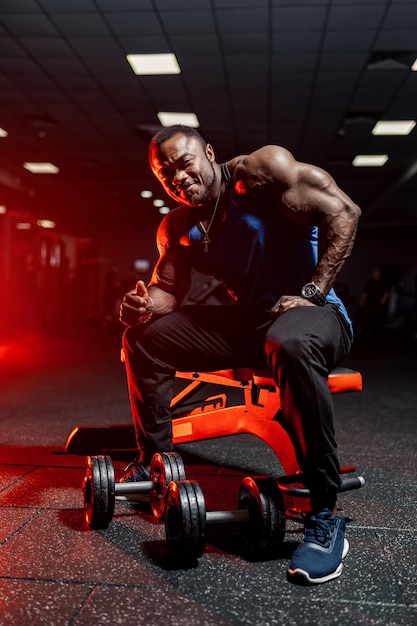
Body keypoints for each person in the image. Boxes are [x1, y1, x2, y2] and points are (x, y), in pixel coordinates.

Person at [119, 125, 361, 585]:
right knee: (145, 337)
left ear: (209, 152)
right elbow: (168, 291)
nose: (177, 175)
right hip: (250, 320)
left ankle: (325, 514)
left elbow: (345, 212)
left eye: (184, 161)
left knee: (288, 342)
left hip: (314, 314)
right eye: (164, 172)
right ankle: (155, 463)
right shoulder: (177, 225)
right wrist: (142, 306)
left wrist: (313, 292)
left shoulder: (260, 173)